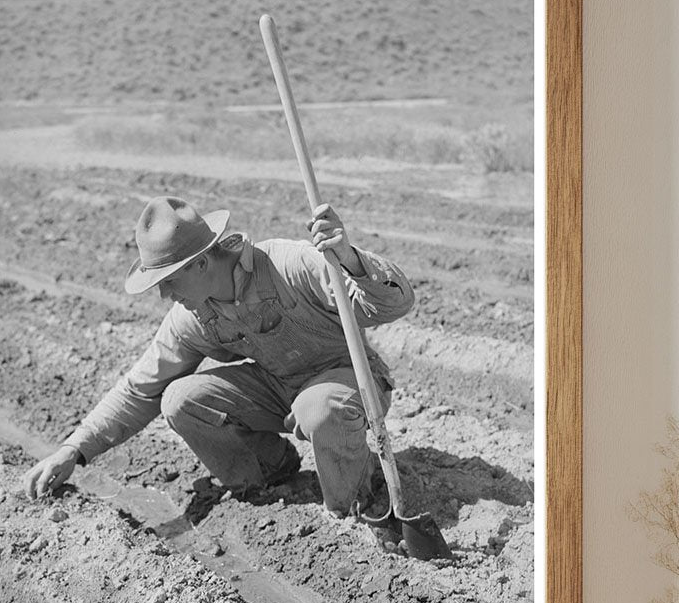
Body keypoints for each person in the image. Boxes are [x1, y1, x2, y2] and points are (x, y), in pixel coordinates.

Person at [23, 195, 415, 519]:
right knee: (179, 399)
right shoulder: (194, 315)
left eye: (168, 281)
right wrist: (72, 450)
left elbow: (391, 304)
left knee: (321, 407)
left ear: (200, 263)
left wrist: (349, 258)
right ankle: (270, 472)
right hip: (279, 389)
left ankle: (355, 503)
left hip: (350, 380)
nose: (165, 295)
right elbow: (139, 389)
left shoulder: (289, 264)